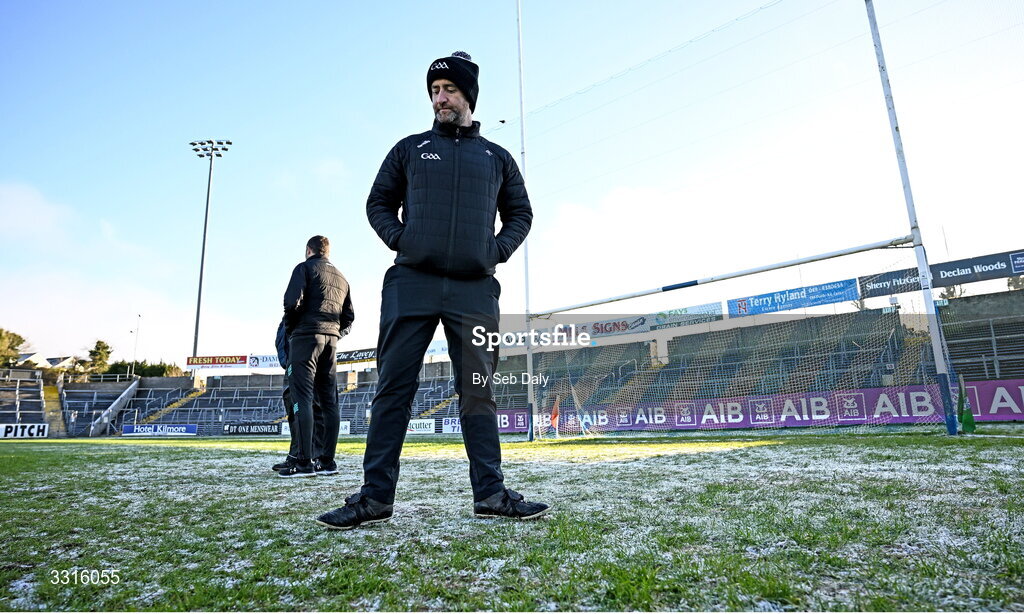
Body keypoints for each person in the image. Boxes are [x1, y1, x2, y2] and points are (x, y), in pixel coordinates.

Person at [317, 51, 550, 529]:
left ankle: (491, 493)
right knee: (393, 389)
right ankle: (375, 497)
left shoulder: (497, 158)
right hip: (412, 283)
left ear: (468, 95)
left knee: (478, 392)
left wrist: (494, 251)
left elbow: (522, 214)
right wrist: (405, 240)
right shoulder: (410, 148)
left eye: (448, 90)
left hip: (475, 288)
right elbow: (378, 202)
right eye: (434, 91)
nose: (440, 98)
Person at [279, 235, 354, 478]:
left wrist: (293, 330)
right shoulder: (342, 277)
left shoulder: (304, 268)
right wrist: (334, 333)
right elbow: (349, 317)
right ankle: (327, 462)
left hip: (306, 338)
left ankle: (303, 463)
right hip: (331, 341)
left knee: (303, 398)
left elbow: (291, 302)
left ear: (309, 250)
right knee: (329, 401)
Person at [270, 316, 327, 474]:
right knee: (292, 409)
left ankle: (312, 456)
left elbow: (344, 322)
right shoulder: (291, 313)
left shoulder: (312, 306)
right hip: (292, 361)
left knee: (307, 408)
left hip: (306, 359)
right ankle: (295, 455)